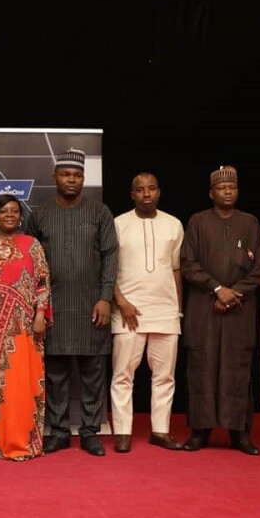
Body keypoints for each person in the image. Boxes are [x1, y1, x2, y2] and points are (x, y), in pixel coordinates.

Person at [24, 147, 118, 457]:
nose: (71, 180)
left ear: (83, 179)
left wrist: (105, 298)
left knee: (93, 371)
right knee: (56, 372)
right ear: (55, 177)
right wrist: (38, 306)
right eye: (65, 174)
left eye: (77, 175)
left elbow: (110, 256)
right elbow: (31, 261)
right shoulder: (40, 214)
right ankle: (60, 431)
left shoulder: (99, 212)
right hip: (54, 307)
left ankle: (90, 432)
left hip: (92, 304)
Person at [180, 165, 260, 455]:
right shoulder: (197, 221)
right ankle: (200, 431)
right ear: (211, 193)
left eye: (232, 187)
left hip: (239, 309)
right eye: (222, 188)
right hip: (204, 309)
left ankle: (239, 433)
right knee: (202, 366)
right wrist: (217, 289)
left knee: (237, 369)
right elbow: (188, 263)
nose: (228, 191)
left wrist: (233, 293)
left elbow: (259, 269)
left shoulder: (250, 222)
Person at [0, 194, 52, 461]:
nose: (10, 215)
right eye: (4, 211)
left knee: (18, 382)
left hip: (22, 326)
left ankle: (17, 439)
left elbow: (42, 280)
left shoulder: (32, 245)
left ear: (21, 216)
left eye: (15, 211)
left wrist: (41, 315)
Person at [110, 172, 184, 454]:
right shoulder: (118, 224)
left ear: (159, 192)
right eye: (140, 189)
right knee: (122, 375)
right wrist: (121, 302)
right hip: (128, 311)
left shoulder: (174, 225)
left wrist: (178, 309)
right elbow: (109, 269)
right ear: (132, 194)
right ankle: (124, 432)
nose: (146, 194)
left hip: (165, 311)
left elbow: (176, 270)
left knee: (165, 376)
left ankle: (161, 431)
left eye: (151, 188)